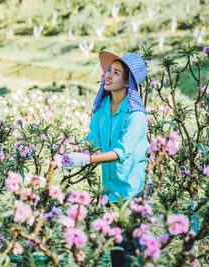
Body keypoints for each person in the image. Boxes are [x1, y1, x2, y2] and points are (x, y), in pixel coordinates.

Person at [63, 51, 151, 266]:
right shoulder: (102, 108)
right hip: (110, 188)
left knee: (132, 248)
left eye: (116, 72)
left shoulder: (136, 116)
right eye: (109, 71)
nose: (108, 76)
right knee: (115, 247)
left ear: (128, 81)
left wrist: (86, 159)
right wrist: (73, 148)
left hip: (132, 190)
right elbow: (93, 139)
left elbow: (120, 152)